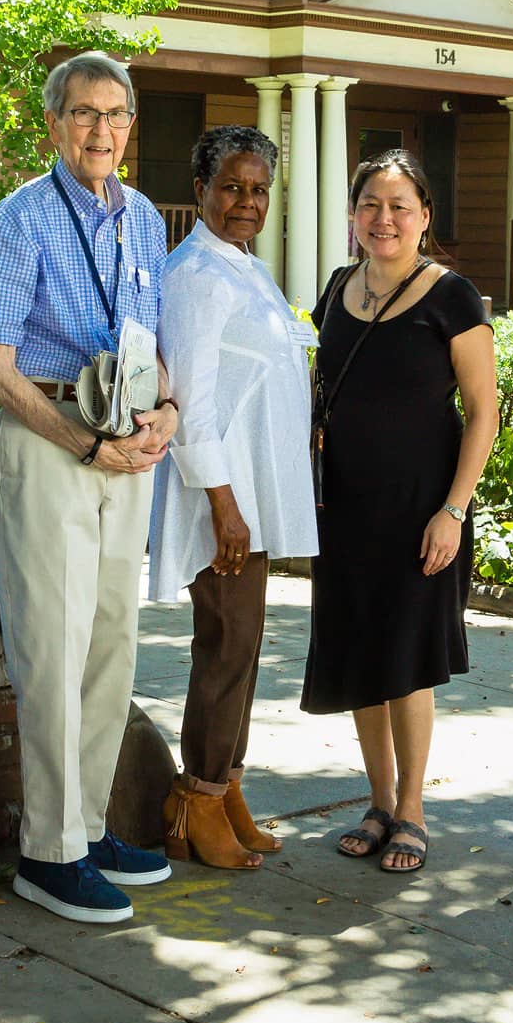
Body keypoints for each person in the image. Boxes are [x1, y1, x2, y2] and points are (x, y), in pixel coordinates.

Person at [0, 51, 177, 924]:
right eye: (84, 113)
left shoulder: (147, 220)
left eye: (115, 114)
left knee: (112, 645)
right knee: (53, 648)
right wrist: (83, 442)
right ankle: (47, 854)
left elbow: (149, 339)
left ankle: (87, 826)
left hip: (126, 445)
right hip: (52, 442)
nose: (101, 131)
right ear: (54, 124)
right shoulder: (16, 221)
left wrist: (164, 412)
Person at [303, 150, 497, 875]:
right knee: (359, 652)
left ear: (424, 217)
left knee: (406, 661)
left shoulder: (453, 296)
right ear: (353, 215)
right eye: (370, 206)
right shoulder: (335, 290)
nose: (383, 219)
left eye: (399, 206)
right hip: (345, 506)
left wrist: (453, 509)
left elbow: (484, 415)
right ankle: (378, 800)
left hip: (423, 509)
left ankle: (413, 810)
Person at [149, 125, 317, 869]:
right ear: (201, 191)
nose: (246, 202)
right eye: (231, 188)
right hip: (220, 498)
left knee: (245, 648)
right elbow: (194, 399)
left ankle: (229, 786)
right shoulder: (195, 275)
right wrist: (222, 503)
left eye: (258, 189)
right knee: (224, 649)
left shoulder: (245, 266)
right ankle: (195, 803)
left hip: (254, 495)